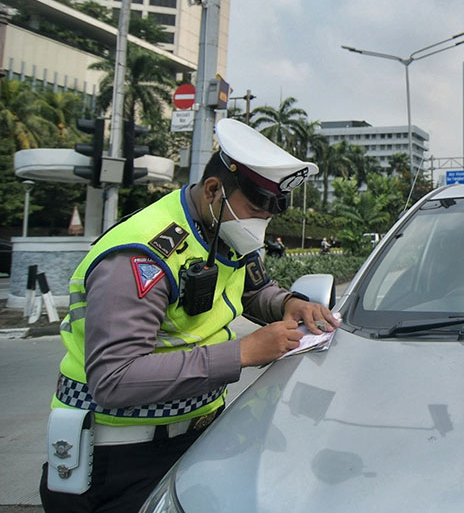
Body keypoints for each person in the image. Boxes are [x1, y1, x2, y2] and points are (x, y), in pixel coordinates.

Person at [40, 118, 337, 513]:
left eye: (269, 216)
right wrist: (244, 352)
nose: (261, 225)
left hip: (196, 439)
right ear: (214, 190)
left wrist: (287, 303)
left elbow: (254, 289)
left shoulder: (222, 231)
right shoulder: (141, 255)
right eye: (254, 210)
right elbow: (114, 379)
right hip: (121, 457)